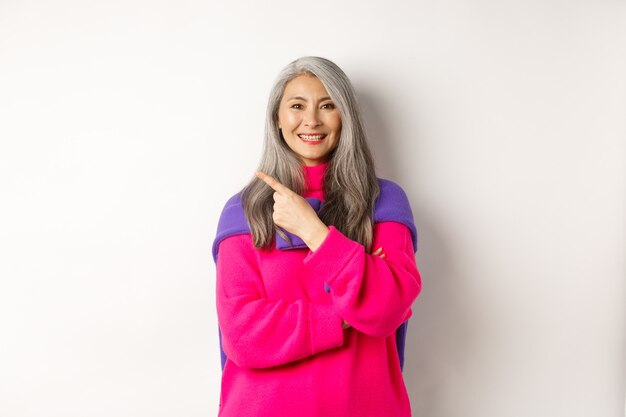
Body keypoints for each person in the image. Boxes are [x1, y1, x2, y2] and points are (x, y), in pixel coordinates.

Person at [211, 56, 422, 417]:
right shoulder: (242, 211)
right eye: (297, 106)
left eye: (328, 105)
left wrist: (313, 230)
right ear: (277, 119)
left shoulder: (383, 202)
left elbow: (387, 309)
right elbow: (242, 334)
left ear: (346, 118)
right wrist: (345, 314)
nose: (311, 120)